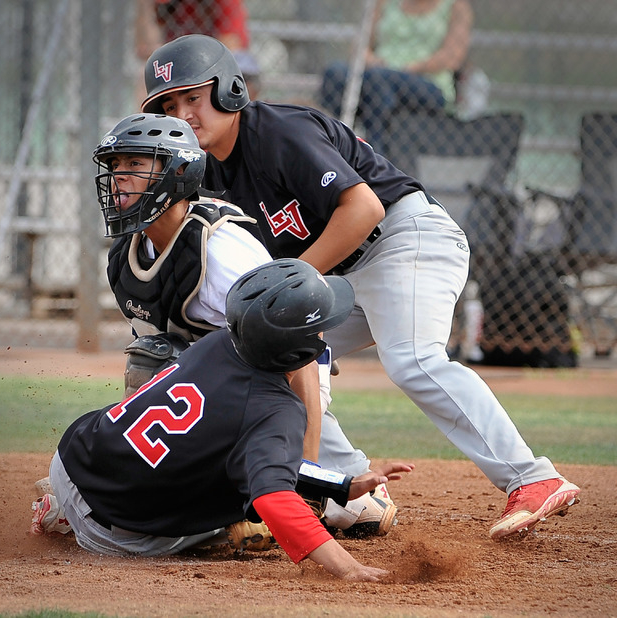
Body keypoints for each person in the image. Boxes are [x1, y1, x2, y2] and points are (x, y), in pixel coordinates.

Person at [140, 34, 581, 540]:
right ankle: (353, 488)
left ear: (229, 90)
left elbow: (364, 209)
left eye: (193, 97)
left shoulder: (276, 130)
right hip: (343, 274)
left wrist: (291, 286)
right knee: (261, 358)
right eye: (169, 106)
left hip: (402, 236)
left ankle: (532, 477)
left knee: (412, 358)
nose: (184, 114)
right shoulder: (204, 173)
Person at [85, 111, 397, 537]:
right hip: (224, 374)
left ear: (176, 173)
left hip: (283, 371)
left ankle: (283, 497)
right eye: (116, 167)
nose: (120, 178)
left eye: (136, 166)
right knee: (152, 360)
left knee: (339, 506)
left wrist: (300, 468)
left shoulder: (219, 250)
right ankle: (156, 483)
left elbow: (301, 348)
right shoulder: (128, 258)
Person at [29, 258, 415, 581]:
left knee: (226, 458)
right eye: (317, 328)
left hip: (74, 457)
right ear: (298, 349)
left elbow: (256, 449)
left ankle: (62, 504)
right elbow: (275, 495)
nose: (323, 333)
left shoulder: (221, 343)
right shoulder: (276, 410)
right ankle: (70, 521)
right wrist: (349, 568)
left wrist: (342, 485)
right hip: (112, 532)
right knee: (246, 512)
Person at [320, 0, 473, 155]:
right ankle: (328, 149)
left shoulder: (456, 5)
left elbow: (453, 57)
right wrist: (373, 60)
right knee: (336, 73)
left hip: (427, 81)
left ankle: (375, 157)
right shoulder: (384, 2)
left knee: (379, 80)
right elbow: (360, 46)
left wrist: (408, 68)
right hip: (377, 72)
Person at [135, 0, 261, 100]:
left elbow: (231, 45)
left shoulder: (221, 3)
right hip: (178, 64)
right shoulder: (166, 5)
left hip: (211, 63)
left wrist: (192, 61)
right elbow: (146, 48)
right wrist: (145, 6)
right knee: (146, 72)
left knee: (240, 72)